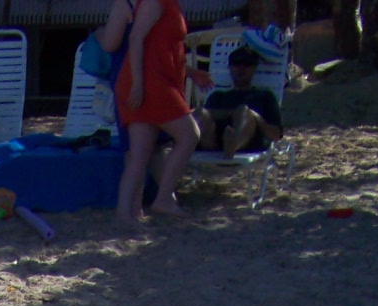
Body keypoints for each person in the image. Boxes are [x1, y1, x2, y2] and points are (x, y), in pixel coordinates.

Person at [98, 0, 198, 226]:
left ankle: (126, 214)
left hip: (155, 80)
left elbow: (164, 47)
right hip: (151, 83)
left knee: (140, 154)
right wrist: (138, 83)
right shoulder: (154, 2)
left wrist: (190, 73)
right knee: (189, 135)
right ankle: (163, 198)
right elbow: (135, 38)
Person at [195, 43, 283, 156]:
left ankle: (233, 145)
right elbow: (204, 118)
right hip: (214, 145)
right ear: (230, 67)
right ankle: (216, 149)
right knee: (200, 112)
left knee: (243, 112)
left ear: (254, 68)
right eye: (236, 63)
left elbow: (276, 135)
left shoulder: (264, 96)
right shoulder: (218, 96)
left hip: (249, 147)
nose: (241, 68)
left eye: (247, 64)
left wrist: (255, 118)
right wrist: (233, 113)